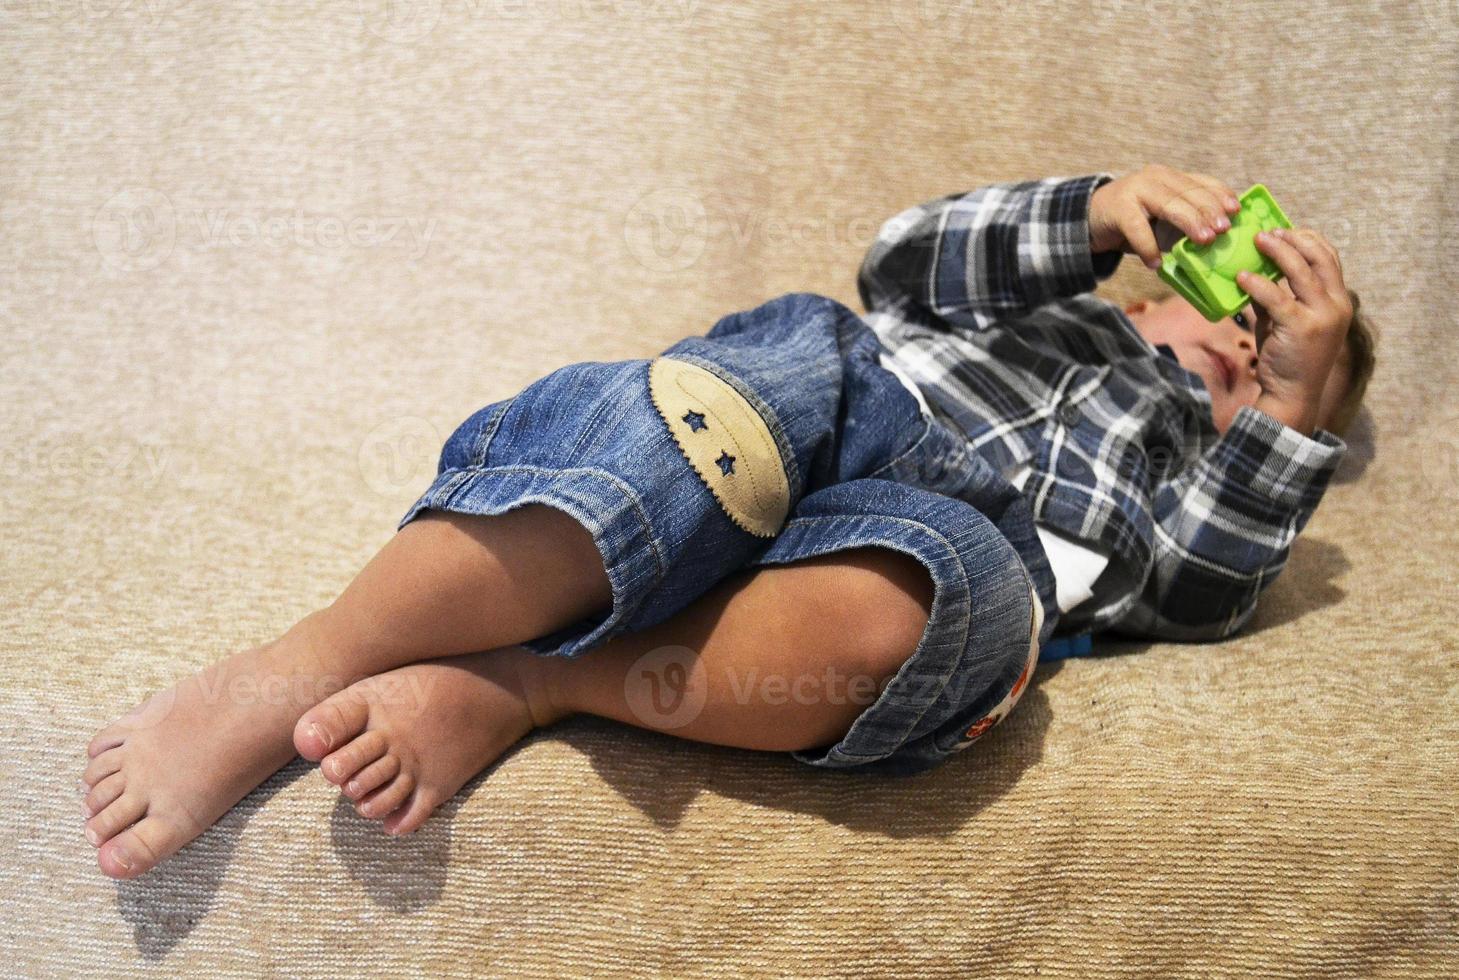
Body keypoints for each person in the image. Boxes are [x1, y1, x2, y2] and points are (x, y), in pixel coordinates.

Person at [78, 164, 1376, 879]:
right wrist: (1083, 215)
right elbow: (899, 261)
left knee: (908, 621)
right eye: (1231, 311)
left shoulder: (1181, 480)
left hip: (975, 543)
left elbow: (1201, 591)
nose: (1235, 340)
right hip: (834, 402)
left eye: (1259, 363)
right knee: (707, 422)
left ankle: (532, 680)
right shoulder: (1049, 299)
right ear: (1156, 286)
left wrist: (1293, 414)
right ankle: (297, 665)